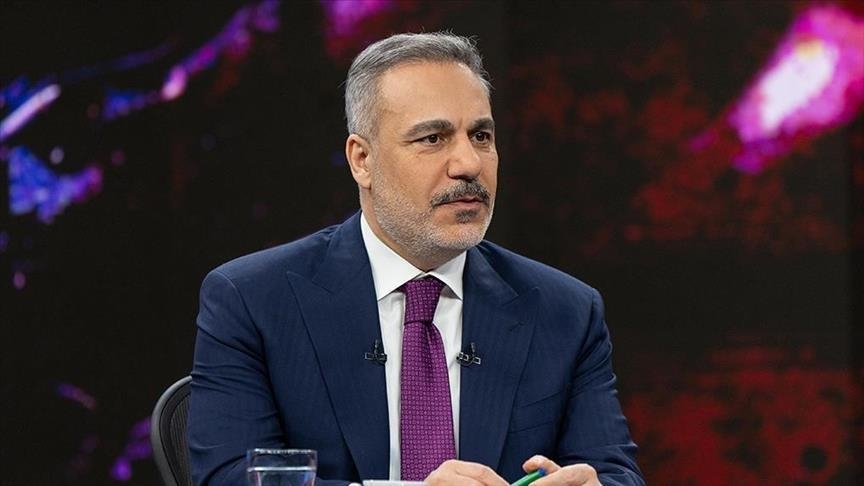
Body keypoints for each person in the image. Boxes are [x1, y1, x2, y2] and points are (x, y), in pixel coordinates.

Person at [188, 32, 643, 486]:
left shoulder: (565, 312)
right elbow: (228, 479)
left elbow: (614, 473)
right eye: (433, 138)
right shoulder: (253, 301)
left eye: (481, 136)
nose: (468, 163)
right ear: (362, 160)